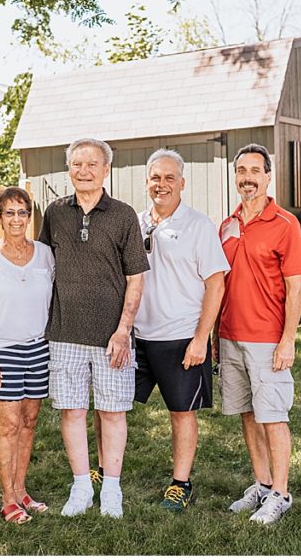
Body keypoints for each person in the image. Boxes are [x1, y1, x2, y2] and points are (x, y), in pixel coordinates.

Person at [38, 137, 149, 519]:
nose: (83, 171)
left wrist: (123, 330)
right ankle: (82, 486)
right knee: (71, 411)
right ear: (69, 169)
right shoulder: (54, 213)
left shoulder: (123, 215)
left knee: (113, 412)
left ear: (106, 170)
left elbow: (136, 278)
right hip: (65, 332)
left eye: (92, 164)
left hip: (111, 337)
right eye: (76, 164)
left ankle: (112, 490)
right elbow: (43, 268)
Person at [132, 149, 229, 511]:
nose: (162, 184)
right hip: (138, 336)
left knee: (181, 413)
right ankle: (104, 472)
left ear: (182, 183)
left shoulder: (198, 225)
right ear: (147, 182)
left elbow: (216, 284)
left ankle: (180, 483)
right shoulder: (136, 223)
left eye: (169, 178)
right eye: (156, 178)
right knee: (111, 407)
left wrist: (201, 338)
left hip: (181, 338)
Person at [216, 143, 301, 525]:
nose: (248, 177)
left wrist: (288, 340)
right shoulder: (227, 224)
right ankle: (262, 483)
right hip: (230, 336)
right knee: (248, 415)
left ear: (268, 176)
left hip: (268, 339)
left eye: (255, 170)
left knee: (273, 417)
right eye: (241, 170)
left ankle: (282, 494)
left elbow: (296, 289)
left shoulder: (285, 224)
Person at [0, 187, 54, 525]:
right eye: (9, 213)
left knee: (29, 423)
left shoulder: (45, 254)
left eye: (22, 213)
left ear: (29, 217)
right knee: (9, 425)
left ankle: (21, 490)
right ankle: (7, 501)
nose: (16, 219)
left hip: (37, 348)